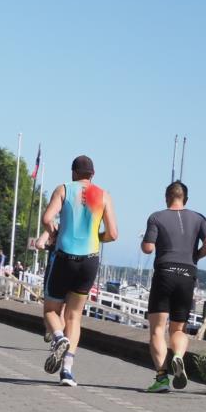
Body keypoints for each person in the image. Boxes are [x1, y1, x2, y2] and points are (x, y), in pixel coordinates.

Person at [41, 155, 118, 386]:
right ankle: (67, 371)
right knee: (74, 316)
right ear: (92, 175)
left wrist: (53, 232)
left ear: (73, 172)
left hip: (64, 258)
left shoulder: (64, 189)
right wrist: (97, 237)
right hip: (89, 260)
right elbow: (113, 234)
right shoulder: (103, 195)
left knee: (51, 310)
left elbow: (47, 218)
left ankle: (58, 338)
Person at [141, 181, 206, 393]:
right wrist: (195, 256)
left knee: (157, 329)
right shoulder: (199, 218)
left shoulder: (156, 217)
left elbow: (148, 248)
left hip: (164, 272)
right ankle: (178, 356)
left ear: (166, 197)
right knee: (178, 328)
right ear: (186, 199)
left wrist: (145, 244)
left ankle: (161, 378)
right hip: (187, 274)